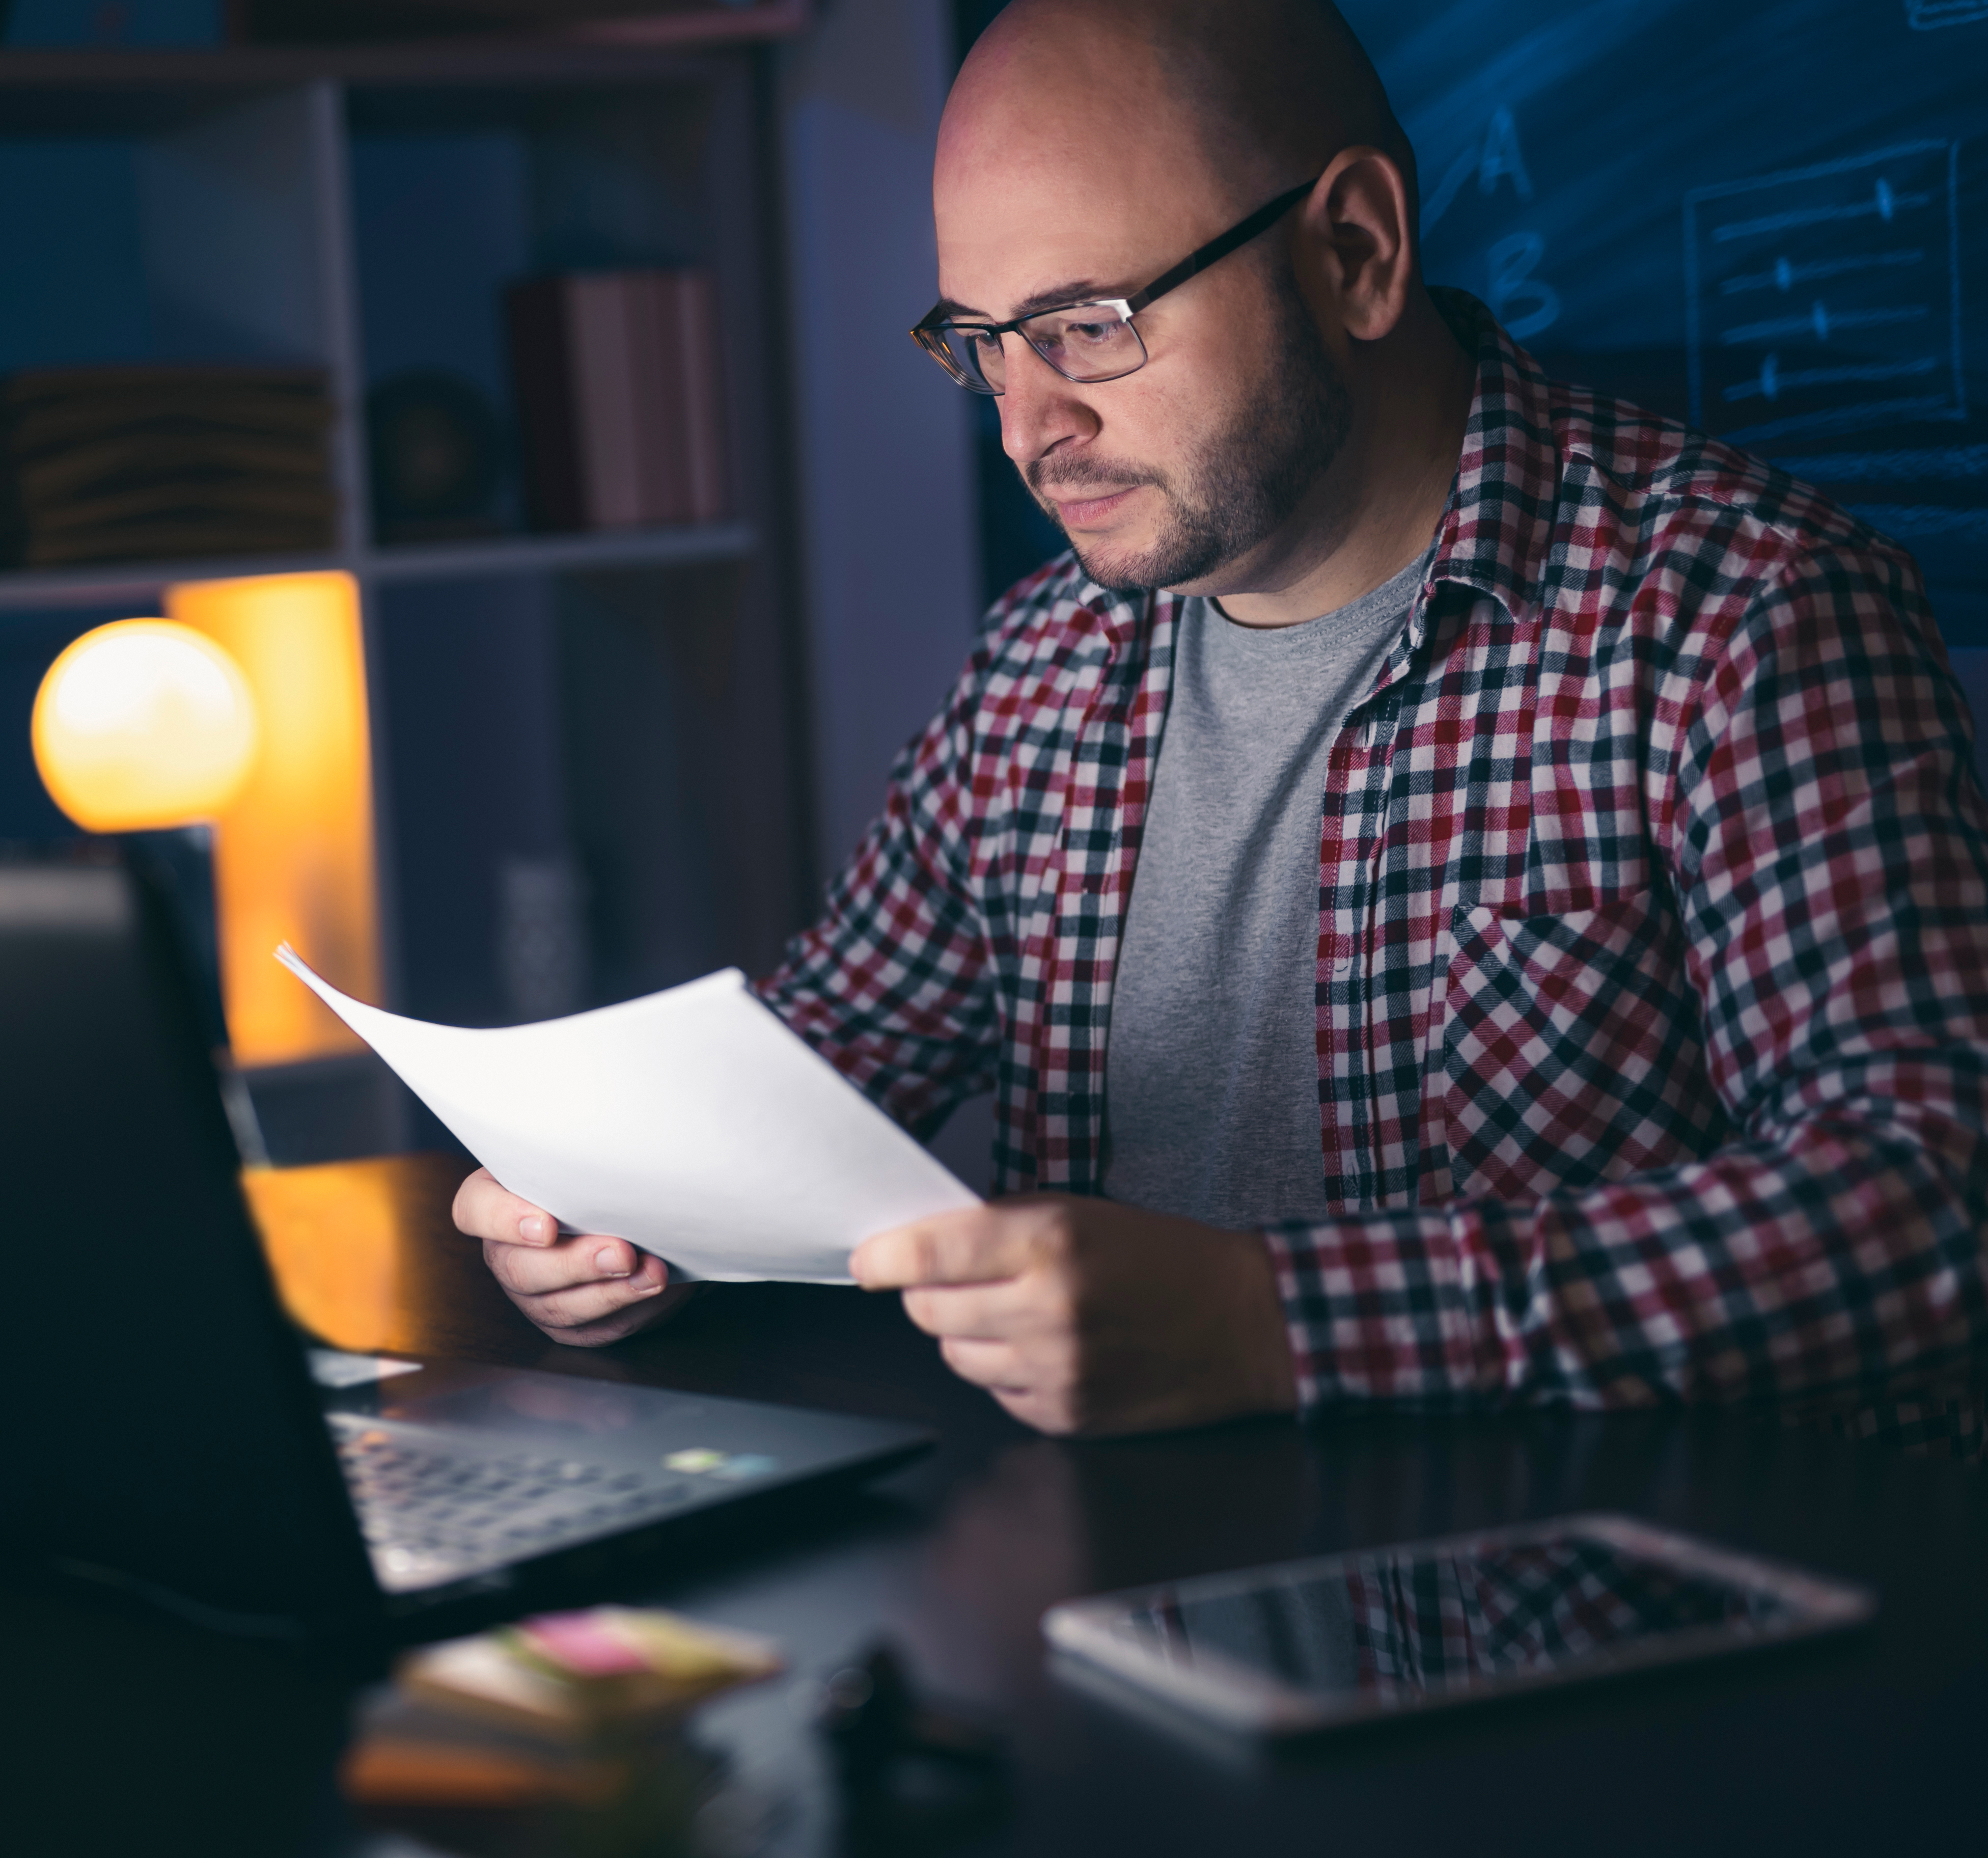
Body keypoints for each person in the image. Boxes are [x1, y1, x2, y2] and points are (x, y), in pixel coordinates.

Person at [456, 0, 1988, 1454]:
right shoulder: (1042, 670)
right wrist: (608, 1205)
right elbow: (827, 1062)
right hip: (1117, 1635)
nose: (1026, 428)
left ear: (1355, 251)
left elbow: (1930, 1196)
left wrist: (1278, 1326)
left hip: (1621, 1666)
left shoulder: (1736, 613)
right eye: (981, 341)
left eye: (1088, 326)